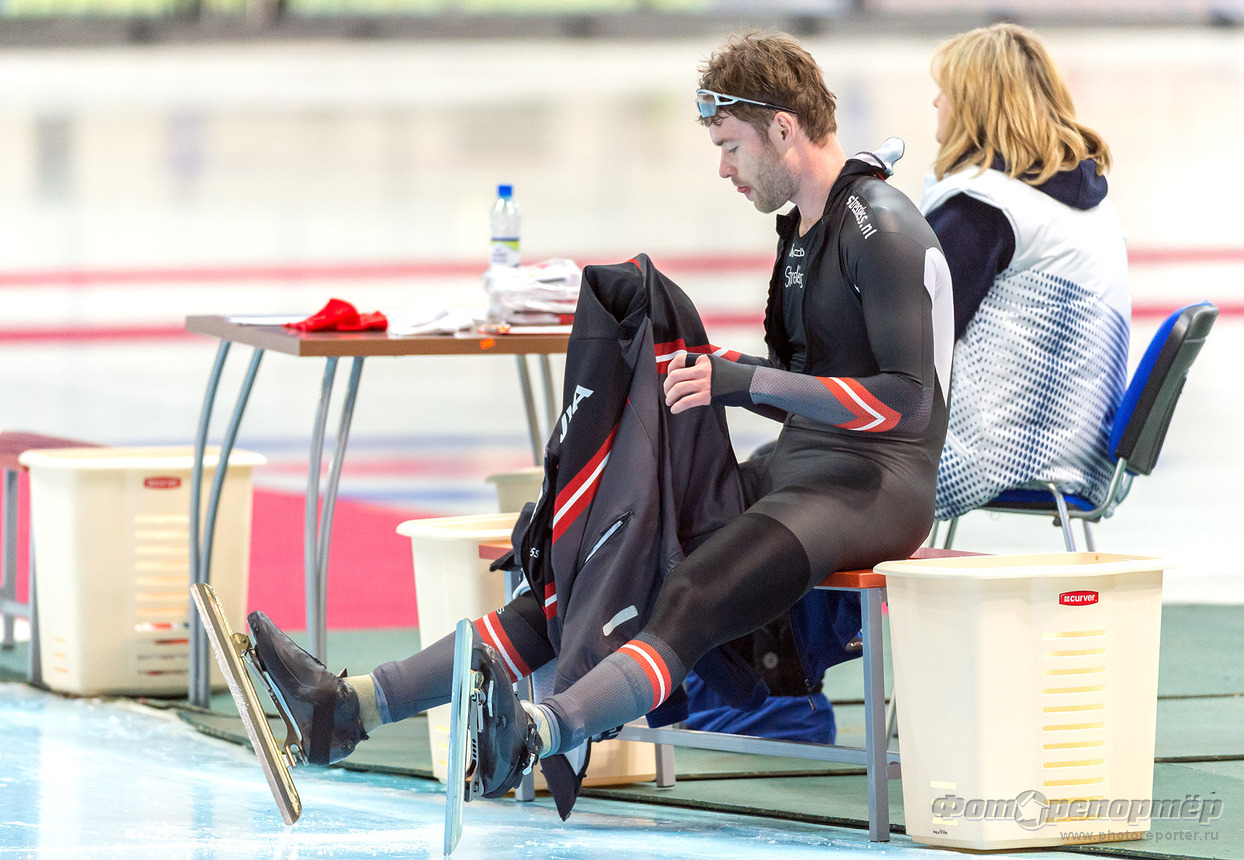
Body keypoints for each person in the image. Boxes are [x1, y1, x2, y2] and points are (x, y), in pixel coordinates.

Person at [247, 30, 953, 818]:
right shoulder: (802, 233)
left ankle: (541, 730)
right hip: (799, 471)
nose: (724, 168)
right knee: (595, 557)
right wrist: (712, 375)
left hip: (875, 487)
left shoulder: (882, 228)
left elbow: (905, 404)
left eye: (730, 146)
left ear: (783, 128)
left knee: (693, 586)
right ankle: (348, 707)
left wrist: (746, 381)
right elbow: (809, 384)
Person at [921, 23, 1130, 522]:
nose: (935, 101)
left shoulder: (982, 206)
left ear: (974, 105)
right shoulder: (1089, 202)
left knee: (791, 470)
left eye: (945, 90)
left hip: (989, 458)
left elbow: (910, 336)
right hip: (1081, 452)